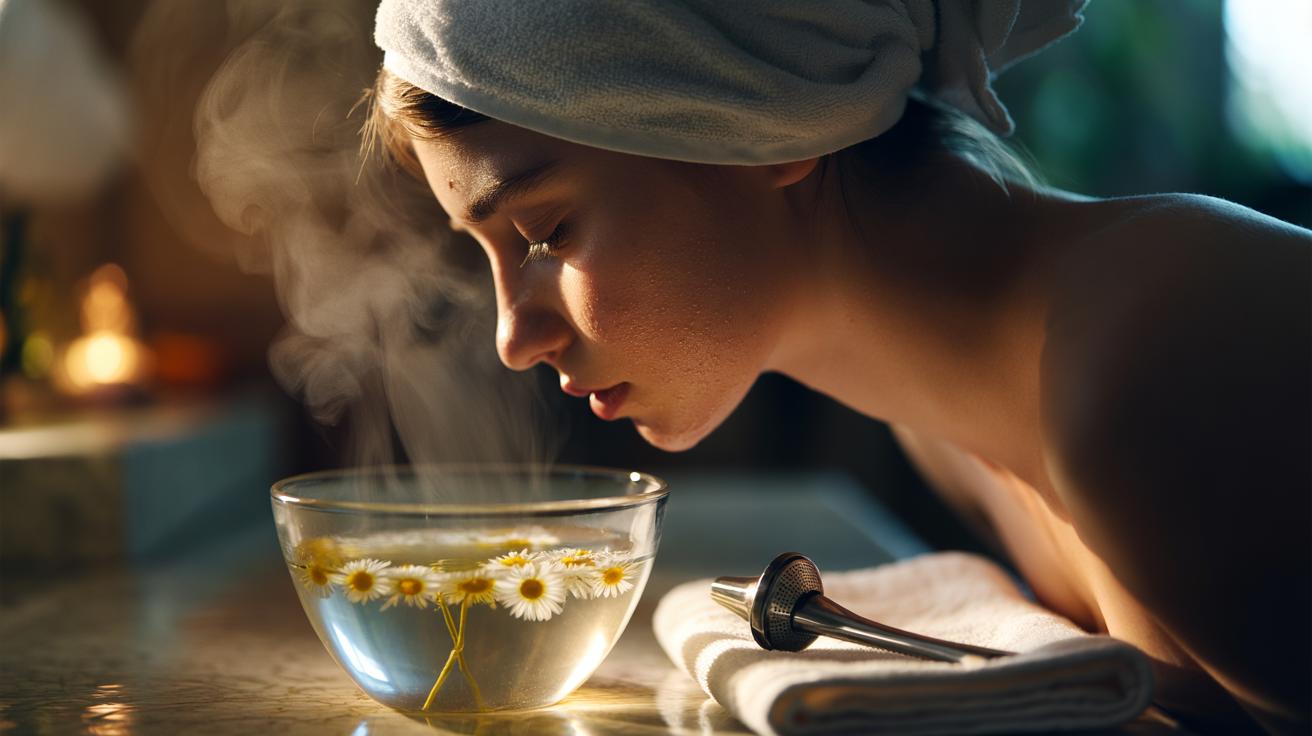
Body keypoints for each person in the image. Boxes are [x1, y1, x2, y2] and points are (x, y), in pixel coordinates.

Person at [365, 1, 1311, 732]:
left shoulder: (1160, 355)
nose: (512, 338)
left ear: (769, 119)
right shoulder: (946, 423)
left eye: (543, 231)